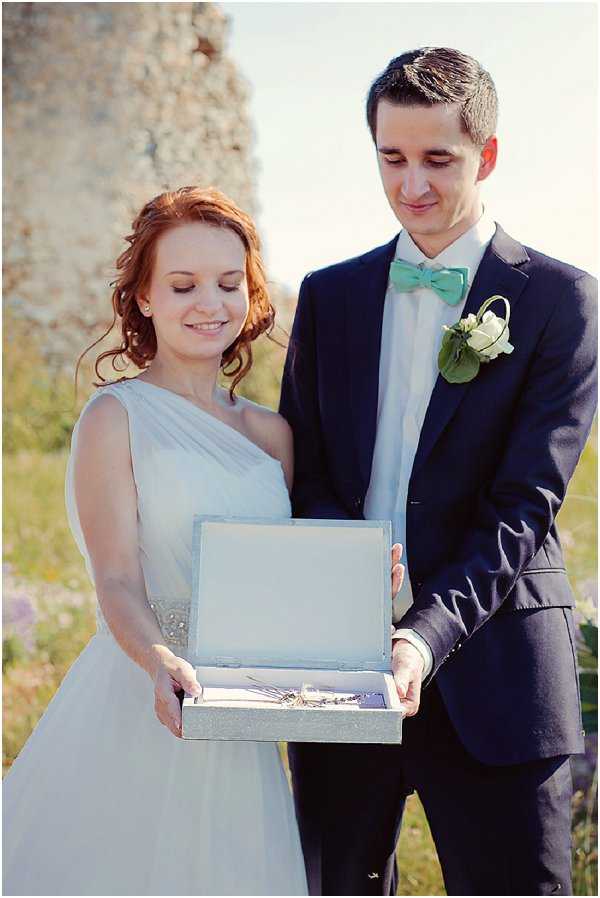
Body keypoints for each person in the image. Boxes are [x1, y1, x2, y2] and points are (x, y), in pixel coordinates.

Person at [279, 47, 597, 896]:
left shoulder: (561, 302)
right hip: (338, 680)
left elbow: (524, 506)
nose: (411, 183)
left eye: (437, 159)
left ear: (486, 156)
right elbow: (307, 473)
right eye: (392, 158)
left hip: (497, 677)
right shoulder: (329, 296)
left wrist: (421, 634)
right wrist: (342, 582)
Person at [2, 186, 310, 896]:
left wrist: (361, 587)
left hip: (244, 708)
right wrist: (158, 659)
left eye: (230, 283)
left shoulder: (274, 435)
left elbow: (285, 582)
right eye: (183, 285)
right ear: (142, 297)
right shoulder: (115, 418)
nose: (211, 303)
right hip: (146, 695)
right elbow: (115, 578)